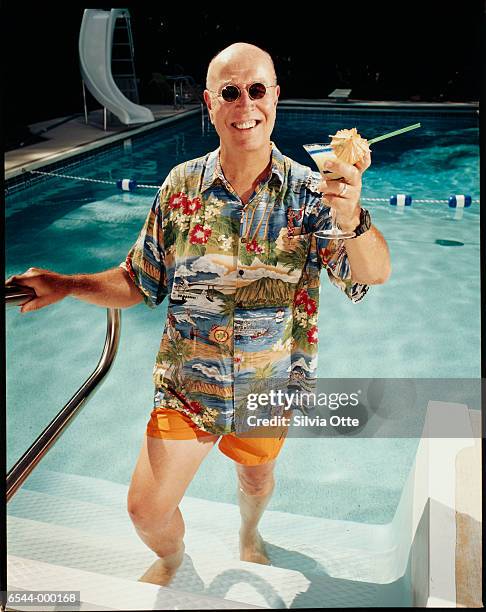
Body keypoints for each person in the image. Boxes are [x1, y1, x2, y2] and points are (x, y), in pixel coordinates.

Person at [6, 42, 391, 585]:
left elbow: (372, 274)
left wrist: (351, 214)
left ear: (275, 97)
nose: (245, 105)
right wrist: (67, 284)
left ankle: (249, 532)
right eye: (230, 92)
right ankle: (172, 558)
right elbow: (139, 280)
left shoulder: (311, 194)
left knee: (256, 479)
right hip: (189, 386)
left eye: (257, 90)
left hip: (267, 386)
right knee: (146, 509)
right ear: (210, 103)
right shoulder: (181, 187)